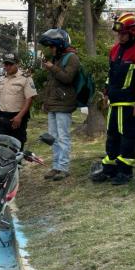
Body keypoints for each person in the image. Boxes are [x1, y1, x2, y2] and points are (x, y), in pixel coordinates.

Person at [92, 13, 135, 185]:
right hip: (114, 101)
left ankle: (125, 171)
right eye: (118, 34)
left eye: (123, 33)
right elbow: (110, 74)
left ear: (132, 33)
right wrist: (105, 93)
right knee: (112, 135)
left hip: (129, 104)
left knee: (128, 137)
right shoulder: (114, 50)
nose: (119, 36)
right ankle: (110, 169)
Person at [39, 29, 80, 181]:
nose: (51, 49)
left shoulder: (72, 58)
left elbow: (68, 78)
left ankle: (63, 167)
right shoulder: (58, 58)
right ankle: (56, 166)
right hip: (54, 104)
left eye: (52, 46)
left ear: (60, 45)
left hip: (64, 104)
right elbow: (52, 85)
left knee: (63, 137)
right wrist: (46, 102)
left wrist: (52, 67)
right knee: (53, 137)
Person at [0, 52, 37, 150]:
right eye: (6, 64)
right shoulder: (0, 79)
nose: (7, 67)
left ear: (17, 64)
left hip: (16, 119)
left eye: (10, 64)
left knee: (16, 148)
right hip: (2, 118)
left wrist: (19, 117)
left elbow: (29, 99)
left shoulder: (25, 78)